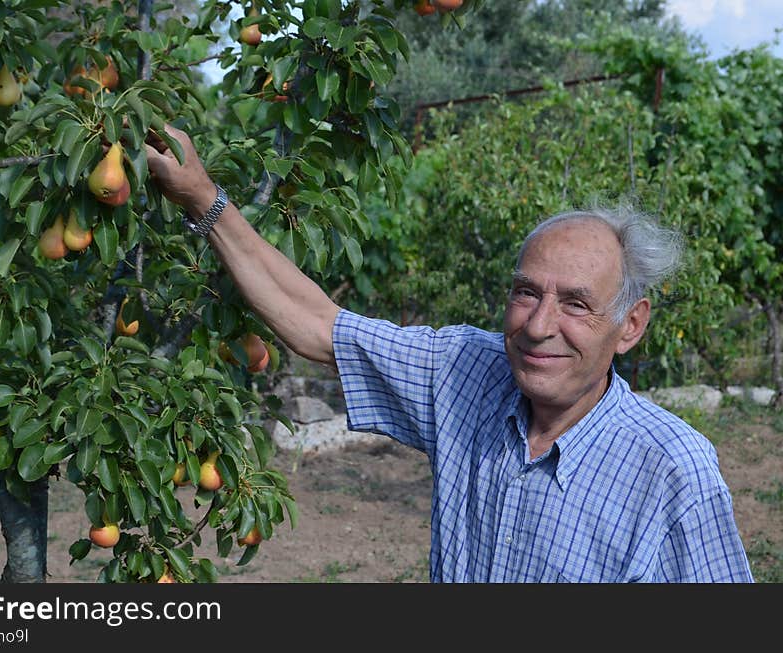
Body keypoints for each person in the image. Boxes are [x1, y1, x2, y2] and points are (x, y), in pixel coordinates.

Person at [145, 124, 755, 583]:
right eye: (525, 293)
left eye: (575, 304)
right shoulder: (466, 372)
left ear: (630, 325)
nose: (540, 326)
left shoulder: (672, 468)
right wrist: (202, 197)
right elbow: (317, 324)